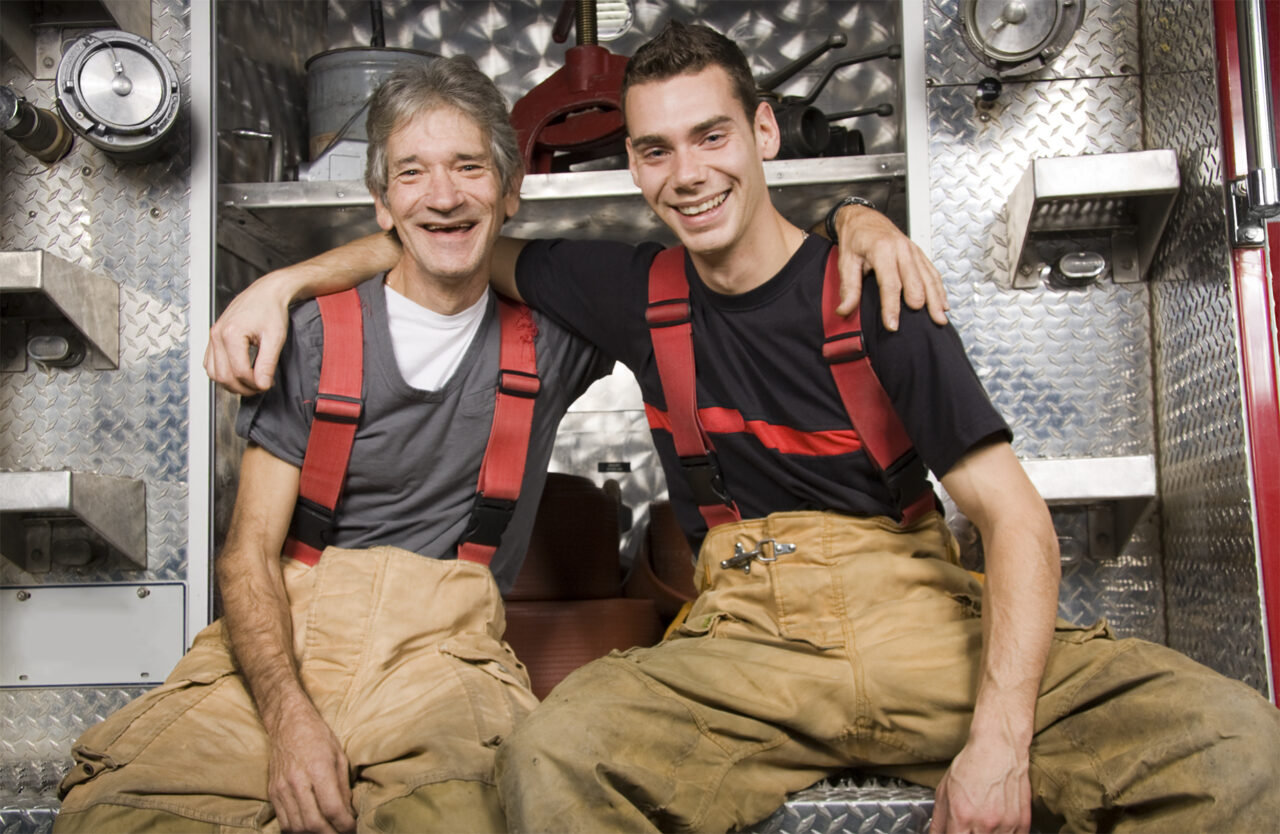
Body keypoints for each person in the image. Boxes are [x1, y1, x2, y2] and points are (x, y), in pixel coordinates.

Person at [205, 21, 1280, 834]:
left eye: (712, 135)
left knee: (1238, 751)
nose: (688, 173)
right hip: (746, 649)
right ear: (632, 164)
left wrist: (998, 741)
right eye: (656, 149)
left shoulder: (875, 286)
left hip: (926, 628)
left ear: (761, 131)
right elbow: (448, 246)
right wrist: (286, 285)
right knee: (553, 761)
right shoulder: (624, 287)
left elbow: (1015, 524)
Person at [54, 57, 618, 834]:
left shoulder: (556, 335)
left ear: (510, 190)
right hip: (281, 643)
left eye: (469, 168)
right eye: (412, 173)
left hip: (442, 657)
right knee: (119, 816)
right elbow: (247, 553)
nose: (445, 193)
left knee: (475, 813)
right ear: (381, 203)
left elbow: (704, 273)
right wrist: (288, 720)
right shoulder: (316, 336)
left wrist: (851, 216)